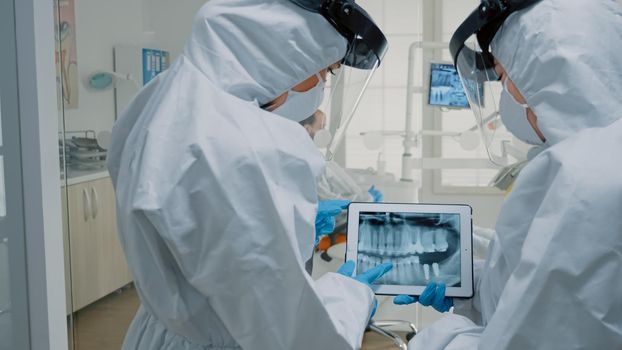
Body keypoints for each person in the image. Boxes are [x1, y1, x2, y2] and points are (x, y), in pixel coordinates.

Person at [106, 0, 393, 349]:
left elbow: (201, 243)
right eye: (326, 70)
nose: (321, 87)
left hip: (160, 332)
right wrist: (351, 296)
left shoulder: (162, 97)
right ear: (283, 51)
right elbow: (290, 336)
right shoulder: (244, 147)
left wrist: (283, 227)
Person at [394, 0, 622, 348]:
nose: (504, 94)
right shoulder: (583, 161)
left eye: (502, 75)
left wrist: (433, 339)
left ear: (550, 72)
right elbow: (538, 290)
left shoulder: (585, 180)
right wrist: (471, 285)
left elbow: (535, 339)